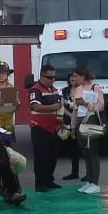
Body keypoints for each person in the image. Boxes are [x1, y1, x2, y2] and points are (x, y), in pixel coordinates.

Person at [27, 63, 62, 191]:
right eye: (49, 77)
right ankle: (40, 183)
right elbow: (35, 106)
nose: (52, 80)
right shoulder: (35, 90)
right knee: (41, 156)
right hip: (40, 128)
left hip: (53, 127)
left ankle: (49, 180)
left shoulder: (54, 90)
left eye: (54, 77)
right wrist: (52, 107)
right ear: (42, 76)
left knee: (52, 156)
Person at [72, 69, 104, 195]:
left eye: (77, 76)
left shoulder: (95, 88)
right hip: (80, 121)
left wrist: (87, 104)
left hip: (90, 120)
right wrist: (73, 127)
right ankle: (89, 180)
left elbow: (101, 105)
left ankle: (95, 183)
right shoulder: (78, 89)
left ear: (83, 76)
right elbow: (75, 109)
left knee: (92, 152)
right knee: (85, 152)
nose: (74, 79)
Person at [60, 71, 84, 181]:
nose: (73, 79)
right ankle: (74, 172)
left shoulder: (83, 90)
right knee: (72, 148)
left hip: (81, 119)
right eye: (71, 77)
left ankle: (89, 173)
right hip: (68, 121)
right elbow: (62, 106)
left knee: (84, 147)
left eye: (75, 77)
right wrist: (70, 115)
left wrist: (76, 115)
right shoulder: (65, 91)